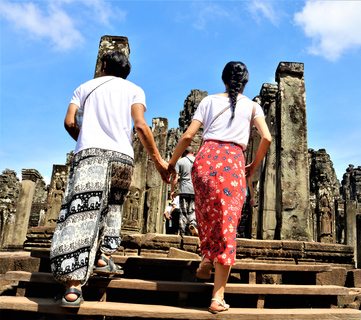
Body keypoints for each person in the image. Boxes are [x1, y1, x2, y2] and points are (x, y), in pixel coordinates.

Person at [50, 50, 170, 308]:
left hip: (90, 154)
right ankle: (104, 257)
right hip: (122, 156)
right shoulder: (134, 90)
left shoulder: (84, 87)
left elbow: (70, 121)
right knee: (114, 206)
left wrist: (86, 141)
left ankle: (72, 286)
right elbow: (140, 125)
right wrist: (159, 162)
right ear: (127, 71)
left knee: (81, 213)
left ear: (103, 65)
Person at [167, 61, 271, 314]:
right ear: (245, 82)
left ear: (223, 79)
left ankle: (206, 261)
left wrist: (171, 163)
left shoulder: (208, 101)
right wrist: (253, 166)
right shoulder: (253, 106)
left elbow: (188, 136)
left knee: (207, 217)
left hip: (205, 160)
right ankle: (217, 297)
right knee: (227, 223)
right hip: (233, 162)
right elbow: (267, 137)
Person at [170, 146, 197, 236]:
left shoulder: (180, 161)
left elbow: (175, 177)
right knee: (192, 210)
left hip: (184, 189)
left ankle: (183, 232)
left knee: (183, 212)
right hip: (194, 190)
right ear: (193, 153)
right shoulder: (198, 161)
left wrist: (172, 191)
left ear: (184, 153)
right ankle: (192, 223)